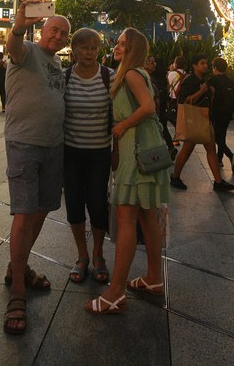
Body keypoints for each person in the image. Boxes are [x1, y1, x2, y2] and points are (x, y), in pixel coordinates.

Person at [86, 28, 168, 316]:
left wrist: (122, 126)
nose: (117, 46)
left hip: (137, 151)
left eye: (123, 43)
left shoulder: (132, 74)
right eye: (118, 42)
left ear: (133, 49)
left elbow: (148, 107)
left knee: (126, 219)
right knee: (147, 216)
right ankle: (154, 278)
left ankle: (116, 292)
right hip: (145, 149)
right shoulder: (133, 73)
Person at [2, 2, 70, 335]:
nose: (58, 35)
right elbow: (12, 47)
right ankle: (17, 292)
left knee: (42, 210)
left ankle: (18, 267)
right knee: (25, 213)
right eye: (53, 29)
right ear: (41, 31)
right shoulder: (26, 50)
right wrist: (18, 25)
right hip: (24, 143)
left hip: (53, 146)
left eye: (64, 33)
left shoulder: (57, 63)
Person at [63, 28, 113, 286]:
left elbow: (120, 112)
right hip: (70, 152)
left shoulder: (108, 76)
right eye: (84, 48)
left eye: (93, 48)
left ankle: (98, 255)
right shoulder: (65, 77)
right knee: (74, 203)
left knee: (97, 203)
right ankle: (81, 256)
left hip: (99, 152)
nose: (89, 53)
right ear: (74, 51)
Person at [169, 54, 234, 192]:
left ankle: (218, 181)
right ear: (195, 66)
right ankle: (176, 177)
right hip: (194, 119)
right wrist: (202, 91)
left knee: (210, 148)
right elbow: (186, 101)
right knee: (188, 149)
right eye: (202, 63)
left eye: (206, 63)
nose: (205, 65)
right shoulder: (190, 80)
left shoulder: (203, 80)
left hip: (203, 118)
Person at [208, 57, 234, 172]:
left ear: (215, 68)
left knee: (216, 137)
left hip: (217, 112)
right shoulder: (230, 81)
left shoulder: (213, 80)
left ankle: (231, 156)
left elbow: (211, 96)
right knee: (222, 135)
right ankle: (219, 159)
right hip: (228, 112)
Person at [145, 55, 177, 160]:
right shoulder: (164, 79)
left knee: (160, 130)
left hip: (155, 111)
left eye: (154, 63)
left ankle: (159, 155)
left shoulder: (151, 80)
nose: (154, 65)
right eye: (152, 62)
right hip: (162, 108)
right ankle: (170, 148)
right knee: (163, 128)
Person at [165, 56, 188, 146]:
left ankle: (179, 133)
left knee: (170, 117)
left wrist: (170, 71)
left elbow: (168, 83)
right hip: (181, 100)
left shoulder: (173, 73)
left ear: (176, 64)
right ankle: (177, 136)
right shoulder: (186, 74)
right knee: (177, 118)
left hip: (173, 99)